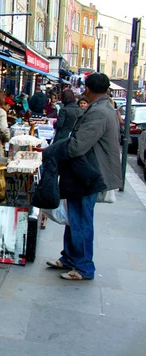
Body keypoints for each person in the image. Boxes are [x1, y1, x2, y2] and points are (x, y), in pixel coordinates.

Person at [46, 73, 122, 280]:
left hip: (88, 174)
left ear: (87, 89)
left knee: (80, 219)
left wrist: (55, 151)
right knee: (75, 218)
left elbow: (78, 145)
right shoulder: (103, 108)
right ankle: (70, 258)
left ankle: (83, 267)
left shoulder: (99, 112)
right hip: (86, 172)